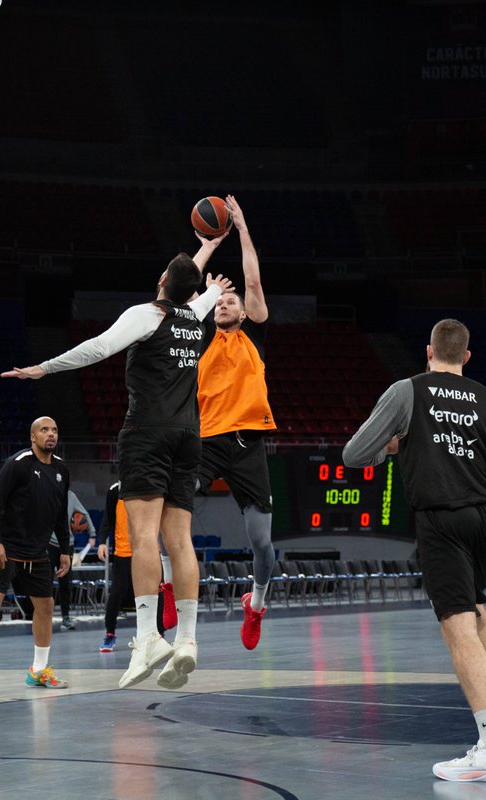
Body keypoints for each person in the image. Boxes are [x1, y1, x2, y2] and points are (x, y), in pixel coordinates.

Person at [3, 240, 234, 690]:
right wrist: (208, 246)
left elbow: (96, 348)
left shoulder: (147, 314)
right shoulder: (196, 315)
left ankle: (148, 637)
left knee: (145, 536)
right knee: (179, 541)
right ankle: (187, 639)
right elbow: (191, 283)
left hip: (148, 434)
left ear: (163, 282)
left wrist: (43, 369)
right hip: (190, 437)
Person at [343, 319, 486, 783]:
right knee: (478, 609)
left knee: (457, 626)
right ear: (467, 356)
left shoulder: (407, 391)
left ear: (429, 351)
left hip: (442, 519)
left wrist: (389, 447)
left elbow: (353, 454)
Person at [194, 195, 277, 650]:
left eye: (231, 300)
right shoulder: (200, 334)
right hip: (205, 440)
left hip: (248, 443)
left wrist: (242, 229)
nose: (225, 303)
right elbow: (175, 289)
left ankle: (257, 603)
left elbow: (252, 279)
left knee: (262, 543)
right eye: (219, 299)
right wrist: (208, 243)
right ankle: (170, 587)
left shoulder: (254, 335)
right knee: (172, 510)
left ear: (244, 311)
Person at [0, 416, 73, 696]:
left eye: (54, 429)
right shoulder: (18, 464)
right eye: (44, 430)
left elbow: (60, 512)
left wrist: (65, 549)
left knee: (45, 607)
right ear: (33, 437)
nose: (50, 434)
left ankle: (38, 671)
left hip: (39, 553)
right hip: (6, 551)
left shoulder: (61, 470)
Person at [96, 480, 166, 652]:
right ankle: (110, 633)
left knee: (158, 591)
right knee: (117, 592)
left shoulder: (152, 485)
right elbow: (108, 519)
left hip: (150, 551)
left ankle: (160, 635)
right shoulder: (115, 490)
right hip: (123, 552)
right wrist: (102, 542)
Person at [52, 489, 94, 631]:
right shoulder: (45, 491)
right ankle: (41, 616)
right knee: (43, 582)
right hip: (48, 543)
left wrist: (92, 534)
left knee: (65, 583)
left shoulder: (70, 495)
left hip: (67, 544)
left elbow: (85, 514)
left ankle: (65, 617)